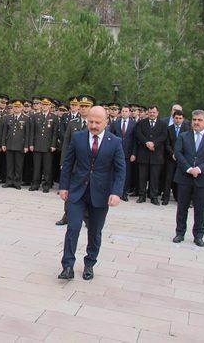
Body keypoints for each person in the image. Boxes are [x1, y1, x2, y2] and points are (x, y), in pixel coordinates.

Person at [58, 106, 125, 281]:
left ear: (106, 122)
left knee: (95, 232)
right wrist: (64, 187)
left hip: (101, 194)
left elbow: (120, 170)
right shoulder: (78, 138)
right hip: (77, 191)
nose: (93, 125)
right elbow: (68, 163)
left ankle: (89, 264)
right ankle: (67, 266)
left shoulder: (115, 141)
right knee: (72, 228)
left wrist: (116, 192)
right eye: (90, 122)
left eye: (97, 122)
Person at [172, 110, 204, 247]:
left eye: (199, 120)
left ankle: (198, 235)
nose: (196, 122)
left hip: (203, 178)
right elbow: (178, 153)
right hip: (184, 177)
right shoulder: (183, 136)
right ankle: (180, 233)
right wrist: (188, 169)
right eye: (194, 120)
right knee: (182, 207)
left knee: (200, 208)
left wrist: (199, 169)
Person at [56, 95, 94, 225]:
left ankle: (88, 219)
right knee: (69, 190)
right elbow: (66, 144)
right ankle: (67, 215)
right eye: (81, 106)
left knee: (88, 191)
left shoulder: (94, 124)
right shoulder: (73, 123)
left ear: (91, 108)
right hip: (73, 164)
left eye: (86, 106)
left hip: (88, 165)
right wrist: (63, 163)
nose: (83, 109)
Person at [134, 106, 168, 205]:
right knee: (142, 177)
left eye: (154, 112)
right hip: (143, 154)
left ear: (157, 113)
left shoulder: (163, 124)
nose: (152, 114)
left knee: (155, 177)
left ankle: (154, 197)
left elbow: (164, 136)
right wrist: (146, 143)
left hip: (156, 155)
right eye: (150, 112)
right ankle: (141, 196)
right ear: (147, 113)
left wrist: (154, 143)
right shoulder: (141, 123)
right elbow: (138, 134)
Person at [29, 97, 59, 193]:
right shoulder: (35, 116)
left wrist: (53, 145)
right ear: (41, 105)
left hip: (48, 146)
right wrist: (31, 144)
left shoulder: (54, 117)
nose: (45, 106)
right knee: (36, 166)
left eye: (47, 105)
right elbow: (32, 132)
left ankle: (46, 185)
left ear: (50, 106)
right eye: (44, 104)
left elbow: (55, 133)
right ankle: (35, 184)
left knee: (47, 167)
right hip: (37, 145)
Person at [109, 104, 136, 202]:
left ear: (129, 113)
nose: (124, 113)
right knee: (114, 172)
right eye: (123, 111)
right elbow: (110, 137)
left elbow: (135, 140)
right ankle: (114, 191)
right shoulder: (115, 123)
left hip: (128, 152)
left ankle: (124, 193)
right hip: (116, 152)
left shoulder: (134, 124)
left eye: (126, 111)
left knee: (126, 173)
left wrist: (134, 153)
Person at [1, 99, 29, 190]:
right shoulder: (7, 117)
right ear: (12, 107)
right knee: (9, 164)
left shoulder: (26, 118)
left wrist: (26, 146)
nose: (16, 108)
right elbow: (4, 132)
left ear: (22, 108)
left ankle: (17, 182)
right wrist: (3, 144)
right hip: (9, 144)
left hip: (20, 145)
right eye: (15, 107)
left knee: (18, 165)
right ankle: (9, 181)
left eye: (18, 107)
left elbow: (27, 134)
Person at [163, 110, 190, 204]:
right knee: (168, 178)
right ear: (173, 118)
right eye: (176, 118)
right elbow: (167, 144)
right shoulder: (169, 129)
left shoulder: (187, 129)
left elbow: (188, 145)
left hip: (182, 158)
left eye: (180, 118)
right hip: (171, 157)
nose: (178, 120)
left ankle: (180, 198)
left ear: (183, 119)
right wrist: (172, 154)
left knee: (181, 179)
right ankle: (165, 198)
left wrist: (180, 155)